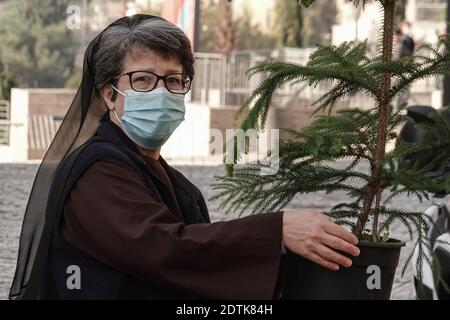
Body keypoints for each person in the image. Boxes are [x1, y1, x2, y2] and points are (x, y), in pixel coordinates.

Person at [9, 14, 359, 300]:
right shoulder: (96, 172)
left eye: (173, 80)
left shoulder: (170, 180)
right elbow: (163, 248)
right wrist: (275, 233)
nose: (161, 92)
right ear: (109, 94)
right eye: (142, 80)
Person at [394, 21, 415, 110]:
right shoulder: (403, 41)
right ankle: (400, 108)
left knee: (403, 91)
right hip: (402, 69)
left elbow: (408, 52)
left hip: (404, 68)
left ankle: (401, 108)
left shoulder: (405, 41)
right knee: (401, 91)